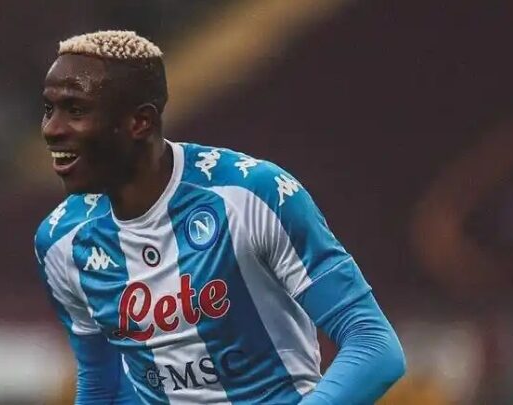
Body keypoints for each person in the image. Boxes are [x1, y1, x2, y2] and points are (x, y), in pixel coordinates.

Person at [34, 30, 405, 404]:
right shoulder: (61, 242)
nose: (51, 129)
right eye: (49, 109)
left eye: (76, 110)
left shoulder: (251, 195)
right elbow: (105, 388)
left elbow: (374, 345)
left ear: (140, 122)